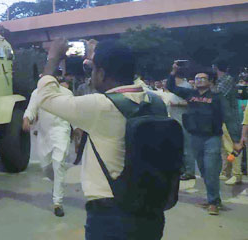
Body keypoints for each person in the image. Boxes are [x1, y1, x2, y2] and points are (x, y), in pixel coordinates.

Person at [35, 39, 167, 239]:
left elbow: (45, 97)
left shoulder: (100, 106)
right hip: (151, 209)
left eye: (94, 69)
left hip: (110, 214)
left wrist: (53, 58)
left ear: (102, 73)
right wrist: (95, 58)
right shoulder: (156, 102)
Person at [167, 65, 240, 215]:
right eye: (196, 78)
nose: (198, 80)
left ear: (211, 81)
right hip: (195, 138)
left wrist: (236, 140)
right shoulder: (190, 94)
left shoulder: (218, 98)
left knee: (211, 170)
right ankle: (213, 198)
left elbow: (229, 118)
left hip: (212, 138)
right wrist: (173, 71)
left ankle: (213, 202)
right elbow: (170, 86)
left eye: (202, 78)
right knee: (204, 171)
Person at [23, 78, 72, 217]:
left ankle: (58, 203)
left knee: (58, 164)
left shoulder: (67, 94)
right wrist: (26, 119)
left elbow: (74, 113)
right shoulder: (36, 93)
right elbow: (31, 109)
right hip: (44, 135)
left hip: (61, 131)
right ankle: (57, 182)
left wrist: (78, 129)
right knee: (47, 169)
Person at [213, 60, 243, 185]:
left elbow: (216, 95)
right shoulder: (222, 80)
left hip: (229, 119)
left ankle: (237, 174)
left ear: (215, 67)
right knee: (224, 148)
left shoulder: (226, 80)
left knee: (232, 146)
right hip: (223, 118)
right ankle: (226, 172)